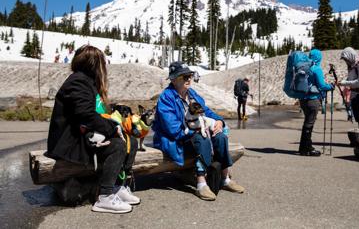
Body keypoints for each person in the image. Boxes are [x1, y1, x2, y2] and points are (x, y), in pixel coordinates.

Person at [47, 45, 140, 214]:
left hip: (82, 136)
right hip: (70, 143)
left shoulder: (86, 81)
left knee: (130, 141)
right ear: (95, 64)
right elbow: (85, 114)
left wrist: (114, 118)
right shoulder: (79, 81)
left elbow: (90, 112)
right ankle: (105, 196)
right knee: (118, 145)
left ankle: (118, 186)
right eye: (102, 63)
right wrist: (113, 128)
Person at [152, 61, 245, 201]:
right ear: (173, 79)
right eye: (184, 76)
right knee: (201, 138)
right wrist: (195, 132)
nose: (189, 79)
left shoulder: (191, 94)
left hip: (193, 134)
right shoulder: (166, 98)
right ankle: (201, 183)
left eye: (190, 75)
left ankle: (225, 179)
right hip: (175, 139)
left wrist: (219, 121)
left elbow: (206, 111)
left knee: (220, 137)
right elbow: (172, 129)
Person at [298, 49, 334, 156]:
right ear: (319, 58)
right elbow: (322, 86)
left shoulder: (303, 67)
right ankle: (307, 148)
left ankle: (303, 147)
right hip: (313, 99)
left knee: (307, 123)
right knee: (309, 123)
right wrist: (331, 86)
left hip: (303, 99)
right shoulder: (316, 69)